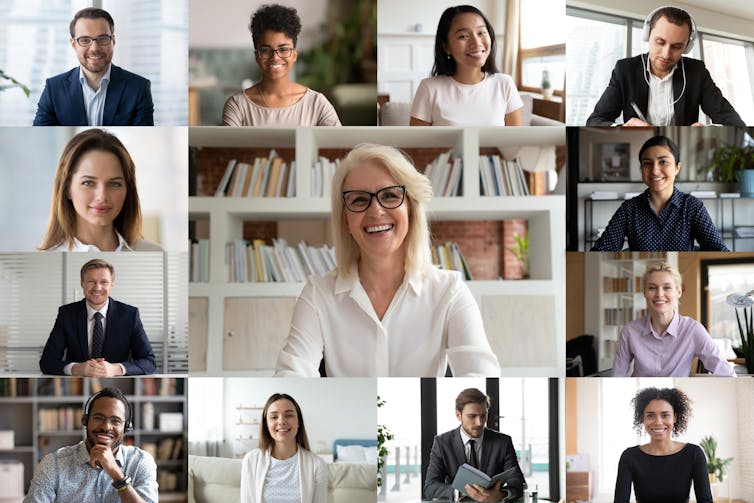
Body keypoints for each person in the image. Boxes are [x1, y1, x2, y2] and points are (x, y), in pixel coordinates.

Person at [274, 143, 500, 377]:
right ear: (345, 220)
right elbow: (291, 376)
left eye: (390, 195)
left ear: (411, 211)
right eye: (360, 200)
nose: (375, 211)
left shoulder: (449, 291)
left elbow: (482, 380)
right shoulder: (317, 294)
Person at [586, 6, 744, 127]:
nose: (666, 54)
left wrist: (710, 129)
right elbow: (595, 120)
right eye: (660, 42)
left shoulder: (697, 72)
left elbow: (733, 121)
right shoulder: (625, 70)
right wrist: (622, 127)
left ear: (687, 47)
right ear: (647, 36)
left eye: (676, 47)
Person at [591, 135, 728, 251]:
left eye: (663, 162)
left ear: (677, 168)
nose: (655, 171)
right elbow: (601, 250)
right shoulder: (629, 209)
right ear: (641, 168)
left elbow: (719, 250)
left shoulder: (692, 207)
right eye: (647, 163)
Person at [24, 387, 158, 502]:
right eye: (98, 418)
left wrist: (117, 475)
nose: (106, 427)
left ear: (126, 427)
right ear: (86, 421)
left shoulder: (141, 462)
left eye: (115, 421)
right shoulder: (53, 464)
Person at [39, 128, 162, 252]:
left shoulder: (155, 253)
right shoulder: (45, 263)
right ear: (67, 189)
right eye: (88, 183)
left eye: (114, 184)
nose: (102, 196)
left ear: (127, 190)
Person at [222, 4, 341, 127]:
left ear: (294, 55)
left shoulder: (316, 103)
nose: (275, 57)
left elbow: (341, 144)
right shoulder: (237, 106)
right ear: (257, 56)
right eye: (266, 50)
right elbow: (227, 146)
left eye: (283, 49)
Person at [33, 8, 154, 126]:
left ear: (113, 41)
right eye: (85, 40)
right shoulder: (54, 88)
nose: (95, 48)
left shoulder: (138, 88)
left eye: (102, 39)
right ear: (74, 44)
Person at [612, 262, 735, 377]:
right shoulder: (629, 331)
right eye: (652, 288)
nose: (659, 294)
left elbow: (727, 374)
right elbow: (617, 377)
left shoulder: (693, 330)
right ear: (644, 292)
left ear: (678, 292)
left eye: (667, 287)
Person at [39, 258, 156, 376]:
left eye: (104, 282)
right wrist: (77, 368)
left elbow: (149, 362)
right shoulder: (67, 314)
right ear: (82, 283)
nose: (97, 288)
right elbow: (47, 362)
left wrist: (116, 369)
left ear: (111, 284)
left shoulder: (129, 315)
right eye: (91, 281)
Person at [410, 5, 523, 126]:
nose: (476, 43)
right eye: (463, 36)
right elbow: (416, 143)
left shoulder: (504, 84)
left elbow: (515, 142)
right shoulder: (429, 88)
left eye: (481, 33)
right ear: (446, 47)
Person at [424, 388, 525, 502]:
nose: (480, 422)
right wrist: (461, 491)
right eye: (472, 416)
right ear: (458, 415)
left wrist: (501, 494)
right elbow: (430, 487)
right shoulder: (442, 443)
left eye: (483, 415)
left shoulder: (503, 442)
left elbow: (518, 482)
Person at [614, 387, 713, 503]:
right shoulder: (629, 457)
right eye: (650, 416)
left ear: (675, 417)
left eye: (665, 415)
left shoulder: (694, 454)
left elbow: (705, 501)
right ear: (643, 418)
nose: (658, 422)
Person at [241, 393, 327, 503]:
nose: (281, 421)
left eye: (289, 415)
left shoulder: (317, 465)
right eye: (274, 417)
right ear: (266, 424)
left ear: (299, 421)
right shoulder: (251, 460)